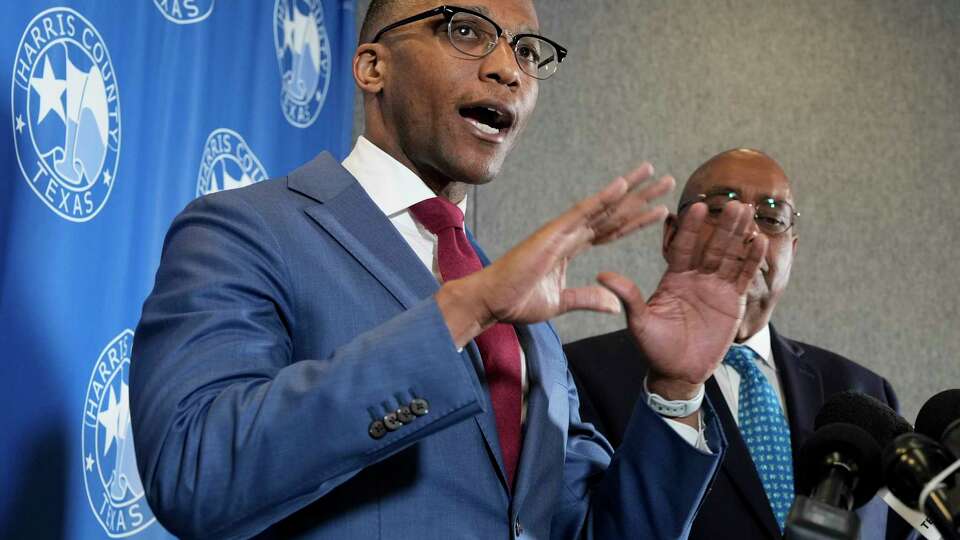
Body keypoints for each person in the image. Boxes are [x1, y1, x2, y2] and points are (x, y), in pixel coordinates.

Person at [130, 2, 768, 538]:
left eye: (526, 52)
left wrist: (676, 393)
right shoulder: (246, 230)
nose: (506, 69)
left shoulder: (527, 317)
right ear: (372, 67)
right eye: (465, 30)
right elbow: (196, 473)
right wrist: (466, 310)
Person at [565, 148, 910, 539]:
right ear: (671, 235)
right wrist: (673, 390)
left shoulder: (863, 391)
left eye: (770, 217)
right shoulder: (585, 374)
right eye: (720, 209)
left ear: (792, 251)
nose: (750, 233)